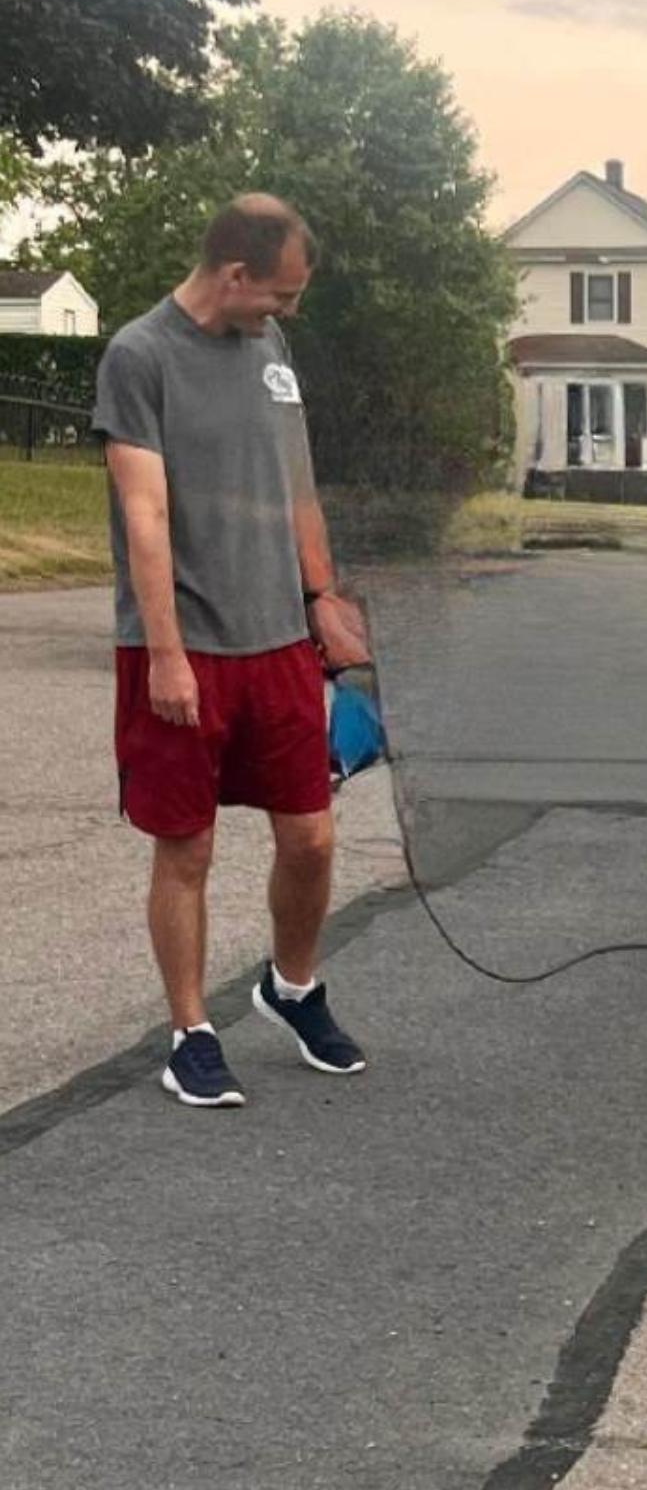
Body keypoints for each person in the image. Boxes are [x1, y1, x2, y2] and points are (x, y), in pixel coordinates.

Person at [96, 194, 374, 1109]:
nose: (286, 312)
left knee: (314, 836)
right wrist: (167, 654)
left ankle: (290, 988)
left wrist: (325, 598)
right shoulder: (141, 356)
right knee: (187, 850)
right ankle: (191, 1032)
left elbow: (296, 483)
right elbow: (143, 515)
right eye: (280, 296)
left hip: (280, 641)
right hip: (182, 647)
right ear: (234, 274)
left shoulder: (271, 353)